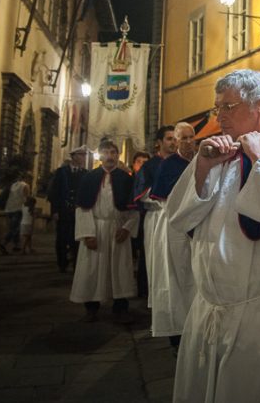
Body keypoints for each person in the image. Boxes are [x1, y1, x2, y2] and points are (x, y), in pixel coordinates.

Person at [168, 69, 260, 403]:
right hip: (208, 311)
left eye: (228, 107)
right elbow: (178, 218)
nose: (219, 116)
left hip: (259, 318)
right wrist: (202, 167)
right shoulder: (218, 154)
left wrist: (259, 157)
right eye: (217, 107)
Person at [69, 139, 139, 323]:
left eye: (113, 152)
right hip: (96, 228)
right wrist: (87, 233)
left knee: (119, 268)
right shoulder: (89, 178)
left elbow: (134, 209)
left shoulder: (126, 179)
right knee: (92, 268)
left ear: (117, 156)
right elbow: (83, 208)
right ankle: (91, 308)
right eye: (106, 152)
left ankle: (121, 307)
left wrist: (126, 228)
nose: (110, 156)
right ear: (100, 156)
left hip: (117, 228)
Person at [144, 121, 196, 355]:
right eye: (182, 138)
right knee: (175, 279)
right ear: (175, 141)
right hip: (174, 227)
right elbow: (163, 199)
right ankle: (177, 334)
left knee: (196, 279)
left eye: (191, 137)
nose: (187, 142)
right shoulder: (168, 165)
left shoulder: (200, 161)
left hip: (198, 227)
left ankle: (196, 330)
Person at [134, 126, 177, 297]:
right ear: (159, 143)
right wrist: (164, 199)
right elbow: (141, 193)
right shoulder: (150, 166)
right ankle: (155, 298)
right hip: (157, 217)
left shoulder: (182, 163)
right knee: (156, 259)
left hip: (177, 218)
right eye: (169, 139)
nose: (173, 142)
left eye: (175, 138)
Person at [49, 146, 90, 272]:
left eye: (84, 155)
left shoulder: (86, 174)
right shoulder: (61, 172)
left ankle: (76, 262)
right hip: (63, 209)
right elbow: (54, 192)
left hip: (78, 211)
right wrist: (55, 210)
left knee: (76, 238)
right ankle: (62, 262)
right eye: (80, 155)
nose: (83, 158)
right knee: (62, 237)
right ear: (73, 156)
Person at [0, 173, 30, 255]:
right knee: (14, 228)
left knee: (14, 226)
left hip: (9, 209)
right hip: (18, 209)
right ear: (26, 178)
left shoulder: (13, 185)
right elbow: (27, 199)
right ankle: (3, 244)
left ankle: (17, 245)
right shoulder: (25, 186)